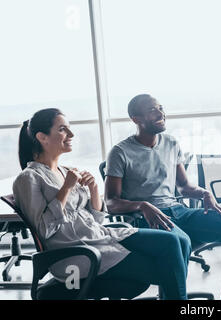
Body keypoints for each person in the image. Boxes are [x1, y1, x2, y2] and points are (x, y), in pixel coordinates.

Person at [13, 108, 190, 300]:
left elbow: (96, 218)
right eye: (63, 129)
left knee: (175, 241)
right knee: (164, 267)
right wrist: (66, 189)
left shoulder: (65, 171)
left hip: (99, 236)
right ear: (42, 137)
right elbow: (44, 229)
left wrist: (93, 190)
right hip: (78, 252)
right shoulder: (28, 178)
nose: (71, 134)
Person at [104, 94, 221, 300]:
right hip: (148, 219)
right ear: (136, 119)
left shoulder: (171, 143)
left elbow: (184, 186)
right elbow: (110, 203)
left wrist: (204, 193)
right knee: (180, 241)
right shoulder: (120, 152)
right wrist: (142, 205)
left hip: (178, 211)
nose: (160, 113)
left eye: (160, 108)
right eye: (152, 110)